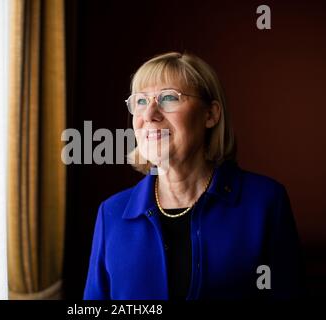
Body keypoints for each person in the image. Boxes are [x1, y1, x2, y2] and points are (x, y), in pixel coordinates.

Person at [83, 52, 304, 300]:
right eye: (141, 102)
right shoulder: (111, 213)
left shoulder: (265, 202)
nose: (149, 115)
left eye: (168, 98)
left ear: (210, 115)